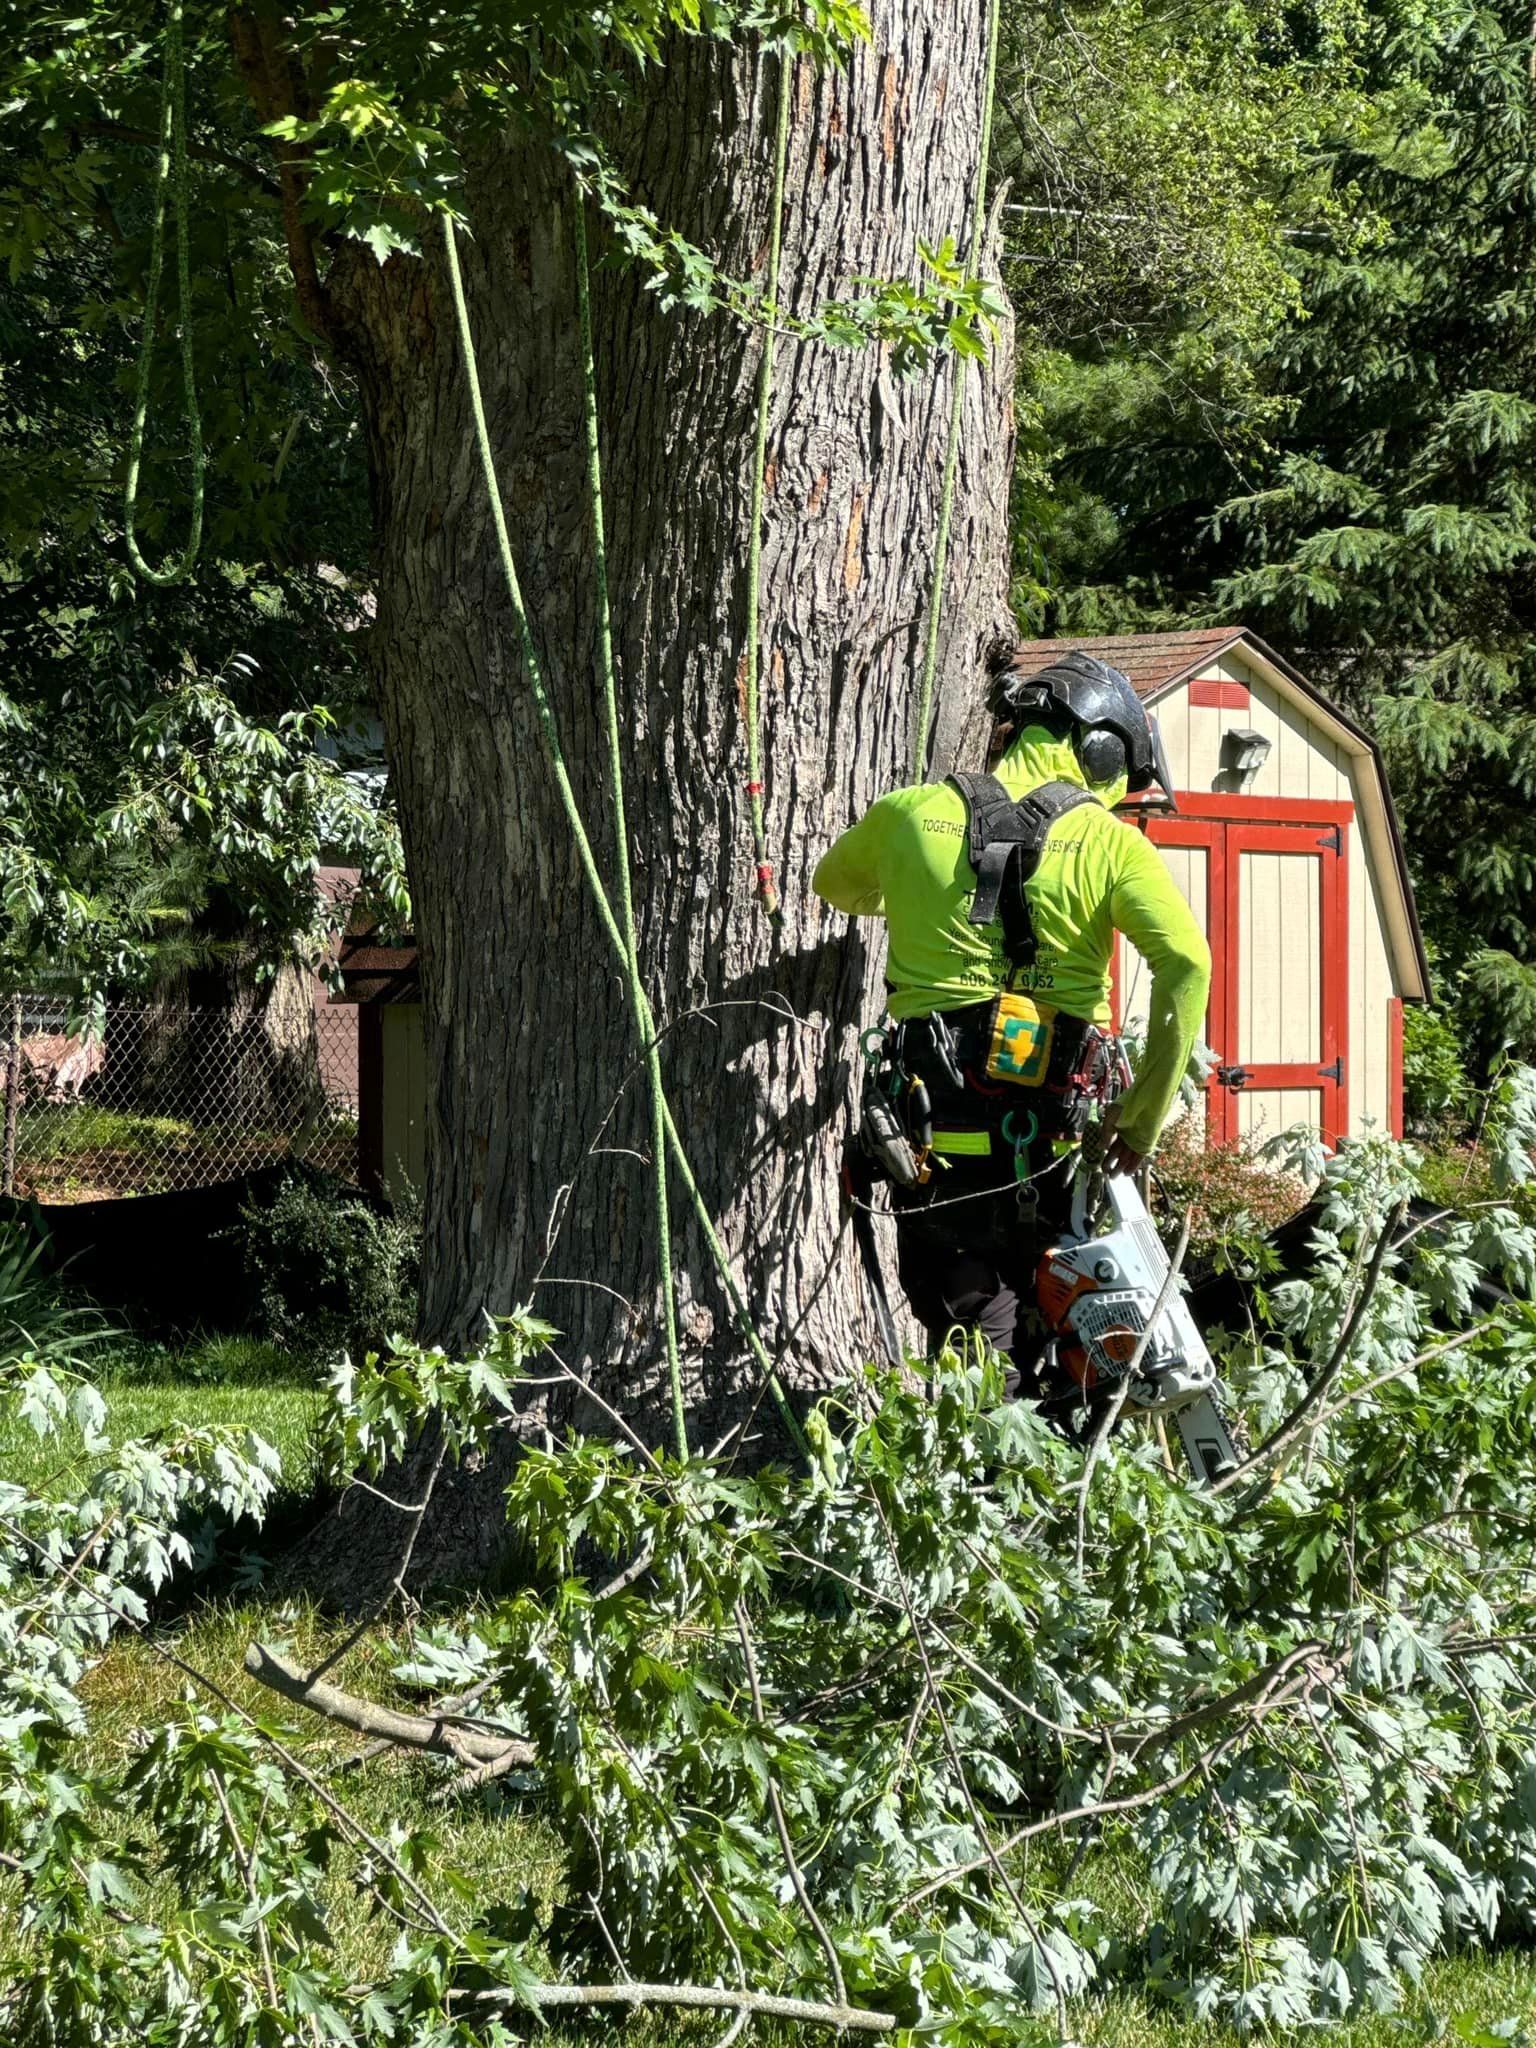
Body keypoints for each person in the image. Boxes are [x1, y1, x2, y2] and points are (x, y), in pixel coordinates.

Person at [813, 645, 1211, 1402]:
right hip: (1058, 1153)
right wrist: (1142, 1120)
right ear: (1101, 746)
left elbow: (833, 883)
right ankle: (1066, 1476)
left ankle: (975, 1478)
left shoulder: (908, 814)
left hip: (936, 1155)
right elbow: (1188, 966)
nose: (1120, 798)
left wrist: (921, 897)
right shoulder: (1110, 842)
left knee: (973, 1350)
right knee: (1081, 1343)